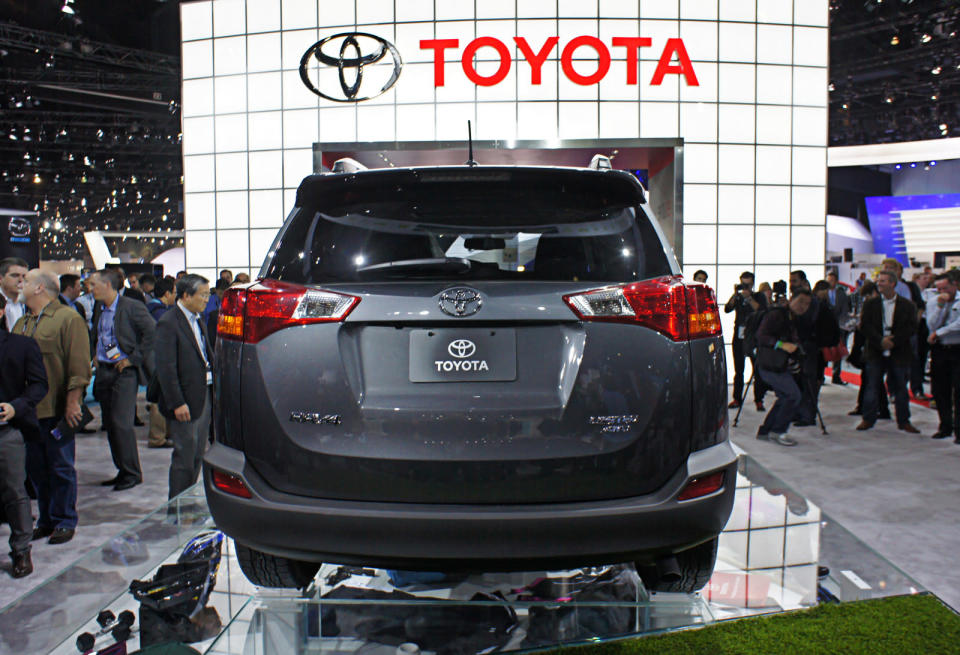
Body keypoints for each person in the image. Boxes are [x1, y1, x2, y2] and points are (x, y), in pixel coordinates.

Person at [13, 270, 91, 545]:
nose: (21, 284)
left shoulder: (68, 319)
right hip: (28, 412)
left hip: (56, 410)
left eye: (26, 280)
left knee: (60, 467)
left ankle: (64, 520)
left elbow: (79, 365)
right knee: (36, 469)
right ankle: (46, 519)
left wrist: (73, 403)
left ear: (40, 288)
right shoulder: (22, 323)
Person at [90, 268, 156, 491]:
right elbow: (106, 336)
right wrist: (102, 355)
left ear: (107, 285)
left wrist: (132, 359)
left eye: (93, 285)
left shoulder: (132, 306)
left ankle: (132, 472)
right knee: (110, 424)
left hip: (125, 374)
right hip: (106, 370)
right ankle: (122, 470)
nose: (89, 289)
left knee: (121, 423)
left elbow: (152, 333)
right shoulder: (101, 309)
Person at [154, 275, 215, 499]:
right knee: (184, 458)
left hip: (203, 395)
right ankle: (177, 510)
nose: (207, 300)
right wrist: (177, 402)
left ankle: (188, 504)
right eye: (203, 295)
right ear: (186, 295)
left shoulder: (197, 319)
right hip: (185, 400)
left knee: (197, 454)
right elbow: (166, 368)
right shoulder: (169, 322)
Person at [0, 326, 47, 577]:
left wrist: (15, 407)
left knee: (15, 490)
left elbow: (39, 385)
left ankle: (21, 549)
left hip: (8, 429)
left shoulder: (22, 345)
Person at [856, 271, 920, 433]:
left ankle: (904, 421)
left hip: (898, 351)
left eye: (883, 281)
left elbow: (912, 327)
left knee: (900, 388)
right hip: (875, 351)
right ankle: (868, 419)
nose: (879, 284)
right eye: (879, 281)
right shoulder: (870, 304)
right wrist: (880, 341)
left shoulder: (907, 305)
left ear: (893, 283)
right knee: (872, 387)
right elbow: (865, 325)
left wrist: (894, 341)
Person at [754, 290, 813, 447]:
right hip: (769, 364)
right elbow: (761, 336)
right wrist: (781, 344)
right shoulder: (777, 315)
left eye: (807, 304)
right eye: (800, 302)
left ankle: (766, 431)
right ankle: (778, 431)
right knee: (793, 395)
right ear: (791, 299)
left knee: (786, 396)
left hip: (780, 365)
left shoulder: (794, 319)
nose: (803, 306)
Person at [724, 272, 766, 410]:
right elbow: (727, 309)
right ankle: (737, 398)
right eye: (743, 284)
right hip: (739, 336)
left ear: (753, 283)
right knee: (738, 370)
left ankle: (759, 400)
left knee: (758, 369)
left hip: (754, 337)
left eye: (748, 284)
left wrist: (749, 298)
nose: (745, 287)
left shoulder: (758, 296)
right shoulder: (738, 297)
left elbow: (761, 310)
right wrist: (735, 294)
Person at [926, 271, 960, 442]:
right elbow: (931, 324)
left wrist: (939, 332)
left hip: (957, 348)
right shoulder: (933, 301)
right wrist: (939, 307)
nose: (942, 292)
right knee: (940, 390)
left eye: (945, 288)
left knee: (958, 390)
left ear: (954, 285)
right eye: (938, 288)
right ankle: (945, 426)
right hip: (939, 350)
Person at [824, 271, 851, 385]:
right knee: (823, 351)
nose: (831, 282)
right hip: (825, 326)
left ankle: (836, 375)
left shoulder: (841, 294)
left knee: (838, 352)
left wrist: (842, 323)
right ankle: (821, 376)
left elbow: (845, 310)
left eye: (832, 280)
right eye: (828, 280)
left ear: (836, 281)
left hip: (839, 326)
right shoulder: (823, 293)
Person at [0, 257, 28, 331]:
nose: (21, 280)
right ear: (0, 278)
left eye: (24, 276)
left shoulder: (29, 304)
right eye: (15, 275)